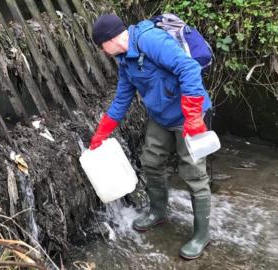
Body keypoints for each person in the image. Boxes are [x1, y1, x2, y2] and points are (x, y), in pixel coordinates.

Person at [89, 14, 212, 260]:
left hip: (189, 116)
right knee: (151, 161)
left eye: (101, 46)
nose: (102, 51)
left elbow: (188, 67)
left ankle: (202, 235)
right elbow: (123, 98)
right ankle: (158, 212)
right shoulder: (125, 60)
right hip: (161, 117)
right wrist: (102, 132)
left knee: (194, 174)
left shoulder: (151, 40)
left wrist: (193, 115)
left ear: (110, 39)